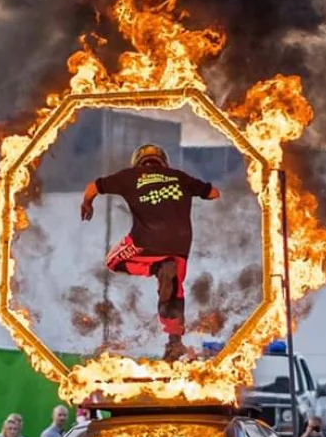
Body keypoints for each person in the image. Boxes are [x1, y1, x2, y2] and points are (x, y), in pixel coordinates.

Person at [80, 143, 221, 361]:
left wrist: (87, 203)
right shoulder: (179, 177)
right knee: (175, 292)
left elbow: (93, 187)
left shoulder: (130, 176)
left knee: (113, 261)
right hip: (180, 245)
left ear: (138, 161)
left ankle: (156, 267)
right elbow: (214, 193)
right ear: (163, 161)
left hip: (146, 241)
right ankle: (174, 343)